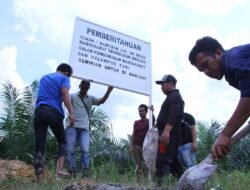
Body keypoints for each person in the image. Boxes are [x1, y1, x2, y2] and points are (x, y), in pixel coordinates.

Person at [188, 36, 250, 160]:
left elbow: (248, 97)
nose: (206, 72)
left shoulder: (233, 60)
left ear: (218, 53)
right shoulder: (231, 71)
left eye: (206, 64)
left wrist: (225, 135)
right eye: (202, 71)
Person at [33, 63, 75, 181]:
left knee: (39, 146)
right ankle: (60, 169)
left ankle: (40, 181)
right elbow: (64, 93)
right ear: (67, 72)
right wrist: (71, 113)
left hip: (40, 111)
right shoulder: (64, 78)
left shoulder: (44, 77)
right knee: (62, 142)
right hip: (54, 111)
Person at [66, 80, 113, 178]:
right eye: (83, 87)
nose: (84, 89)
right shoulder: (73, 96)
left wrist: (109, 90)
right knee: (70, 149)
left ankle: (85, 172)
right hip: (72, 126)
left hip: (85, 128)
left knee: (85, 149)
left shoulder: (90, 98)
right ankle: (72, 170)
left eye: (86, 88)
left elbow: (101, 101)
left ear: (88, 88)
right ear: (80, 86)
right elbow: (64, 98)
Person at [155, 74, 184, 187]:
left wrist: (166, 132)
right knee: (174, 164)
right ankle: (186, 184)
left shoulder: (174, 96)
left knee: (163, 160)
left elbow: (174, 114)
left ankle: (161, 186)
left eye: (162, 84)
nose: (161, 87)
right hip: (170, 135)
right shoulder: (172, 96)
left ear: (170, 83)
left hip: (168, 136)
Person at [131, 104, 155, 181]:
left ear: (146, 112)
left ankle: (147, 182)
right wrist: (131, 146)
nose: (140, 112)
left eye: (142, 111)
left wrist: (152, 112)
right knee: (138, 166)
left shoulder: (149, 122)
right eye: (139, 111)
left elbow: (153, 122)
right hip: (136, 146)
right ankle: (139, 183)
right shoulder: (136, 122)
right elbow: (133, 134)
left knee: (146, 165)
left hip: (145, 147)